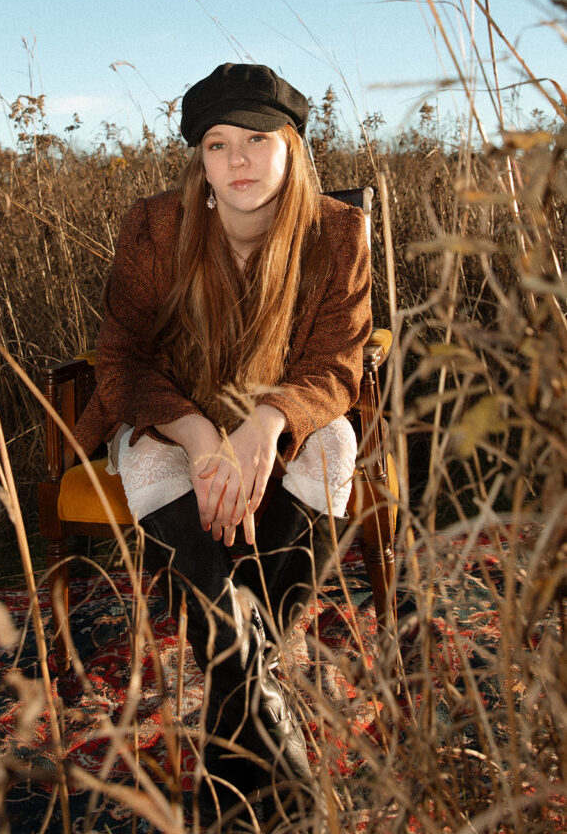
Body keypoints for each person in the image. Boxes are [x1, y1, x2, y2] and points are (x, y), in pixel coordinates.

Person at [74, 62, 372, 831]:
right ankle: (274, 736)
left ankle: (235, 720)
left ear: (291, 148)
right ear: (198, 160)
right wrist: (202, 433)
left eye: (255, 139)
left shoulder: (338, 232)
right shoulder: (156, 225)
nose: (236, 160)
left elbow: (337, 362)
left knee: (332, 445)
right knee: (144, 458)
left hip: (282, 416)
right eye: (216, 144)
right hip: (175, 416)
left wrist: (266, 424)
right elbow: (123, 358)